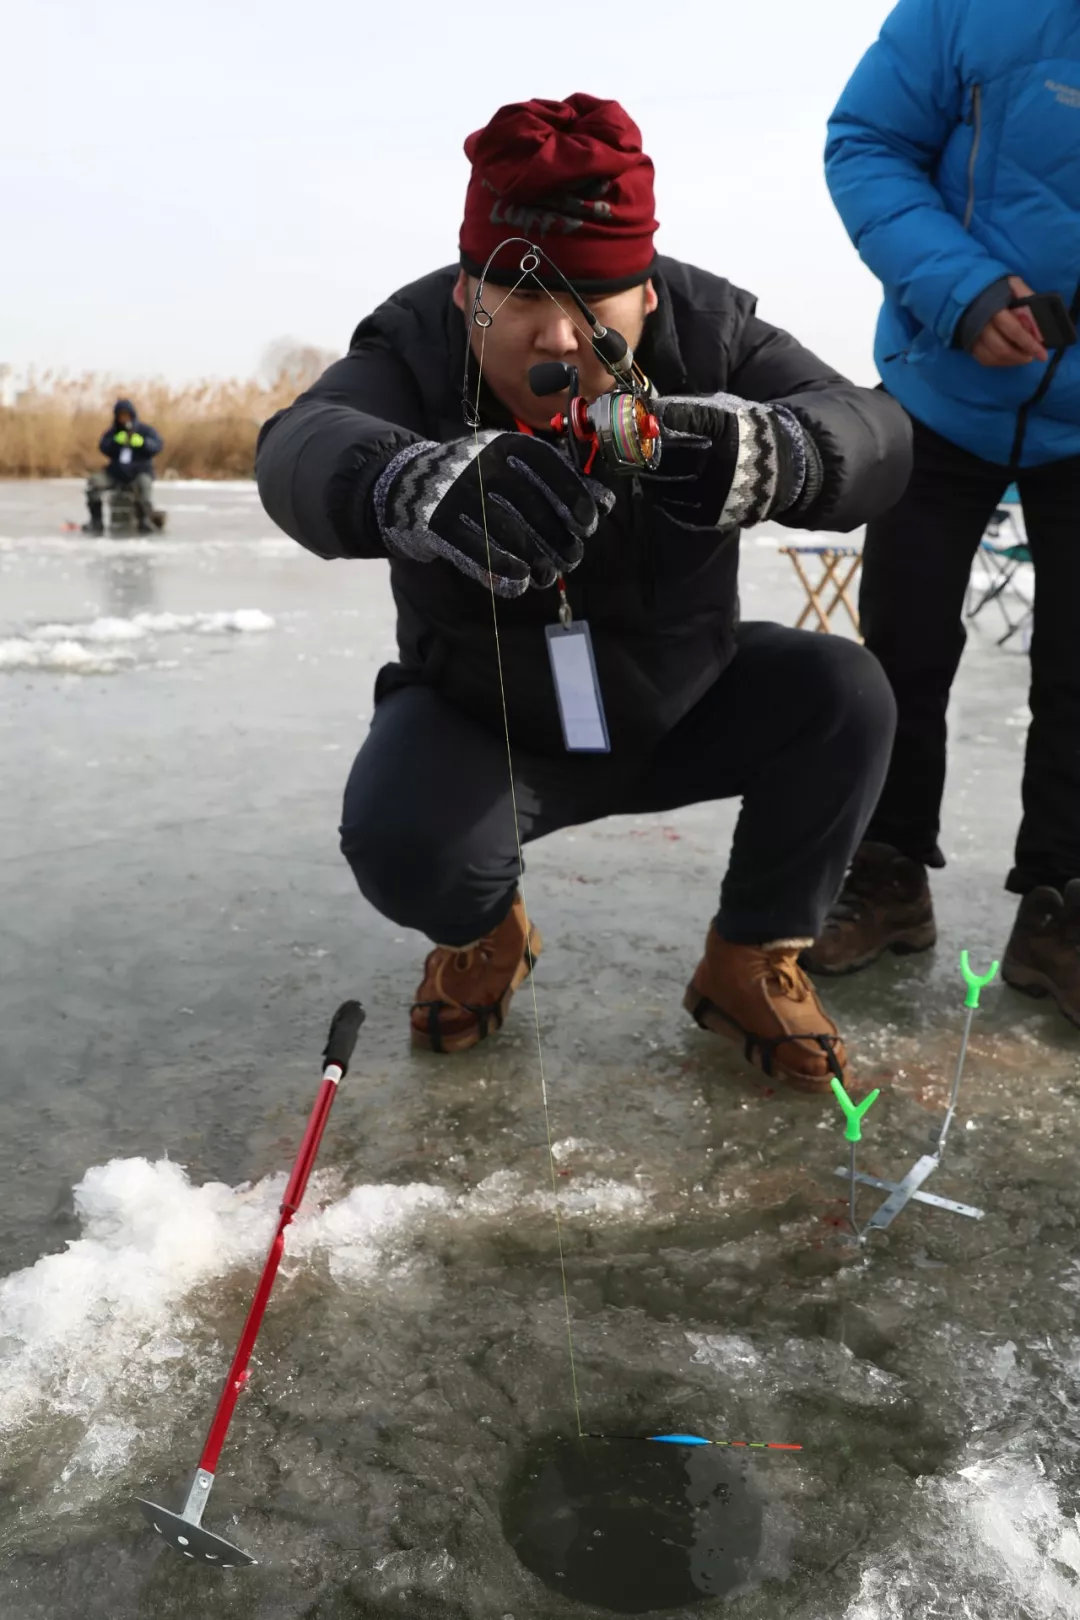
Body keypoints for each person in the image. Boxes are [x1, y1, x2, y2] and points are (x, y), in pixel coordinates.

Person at [257, 94, 912, 1093]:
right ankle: (486, 935)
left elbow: (875, 429)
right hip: (490, 720)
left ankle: (749, 957)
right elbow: (299, 446)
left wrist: (791, 454)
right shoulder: (411, 343)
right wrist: (401, 480)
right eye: (519, 301)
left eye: (593, 303)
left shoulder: (713, 329)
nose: (558, 338)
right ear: (466, 296)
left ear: (647, 294)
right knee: (403, 839)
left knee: (844, 693)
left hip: (685, 698)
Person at [812, 1, 1080, 1028]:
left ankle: (1063, 902)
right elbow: (866, 141)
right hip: (942, 387)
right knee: (902, 645)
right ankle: (886, 872)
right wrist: (962, 291)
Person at [85, 398, 164, 535]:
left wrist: (143, 443)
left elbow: (157, 446)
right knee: (94, 483)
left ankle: (144, 520)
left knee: (144, 486)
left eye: (126, 415)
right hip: (115, 473)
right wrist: (115, 442)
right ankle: (96, 521)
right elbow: (103, 446)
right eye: (121, 415)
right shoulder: (113, 432)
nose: (124, 418)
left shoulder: (145, 431)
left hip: (139, 472)